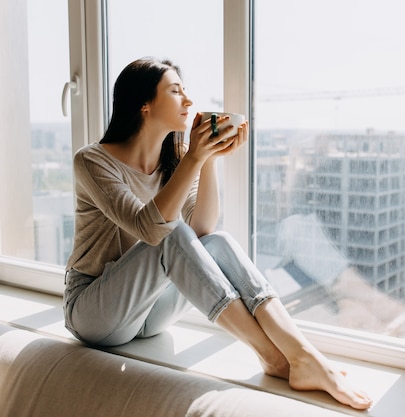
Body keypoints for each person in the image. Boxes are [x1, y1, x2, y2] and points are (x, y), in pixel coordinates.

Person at [63, 57, 372, 410]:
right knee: (171, 234)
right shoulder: (92, 161)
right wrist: (194, 158)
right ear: (144, 104)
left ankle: (302, 353)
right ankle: (275, 358)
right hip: (93, 310)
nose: (189, 102)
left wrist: (207, 160)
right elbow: (150, 229)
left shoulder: (176, 160)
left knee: (218, 242)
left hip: (148, 314)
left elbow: (202, 230)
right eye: (176, 91)